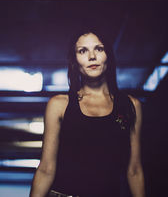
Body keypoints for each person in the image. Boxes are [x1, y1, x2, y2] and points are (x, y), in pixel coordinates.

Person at [30, 28, 145, 197]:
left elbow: (134, 170)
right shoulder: (59, 105)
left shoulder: (130, 105)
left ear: (108, 56)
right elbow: (46, 169)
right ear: (75, 61)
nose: (92, 56)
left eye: (99, 48)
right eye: (83, 51)